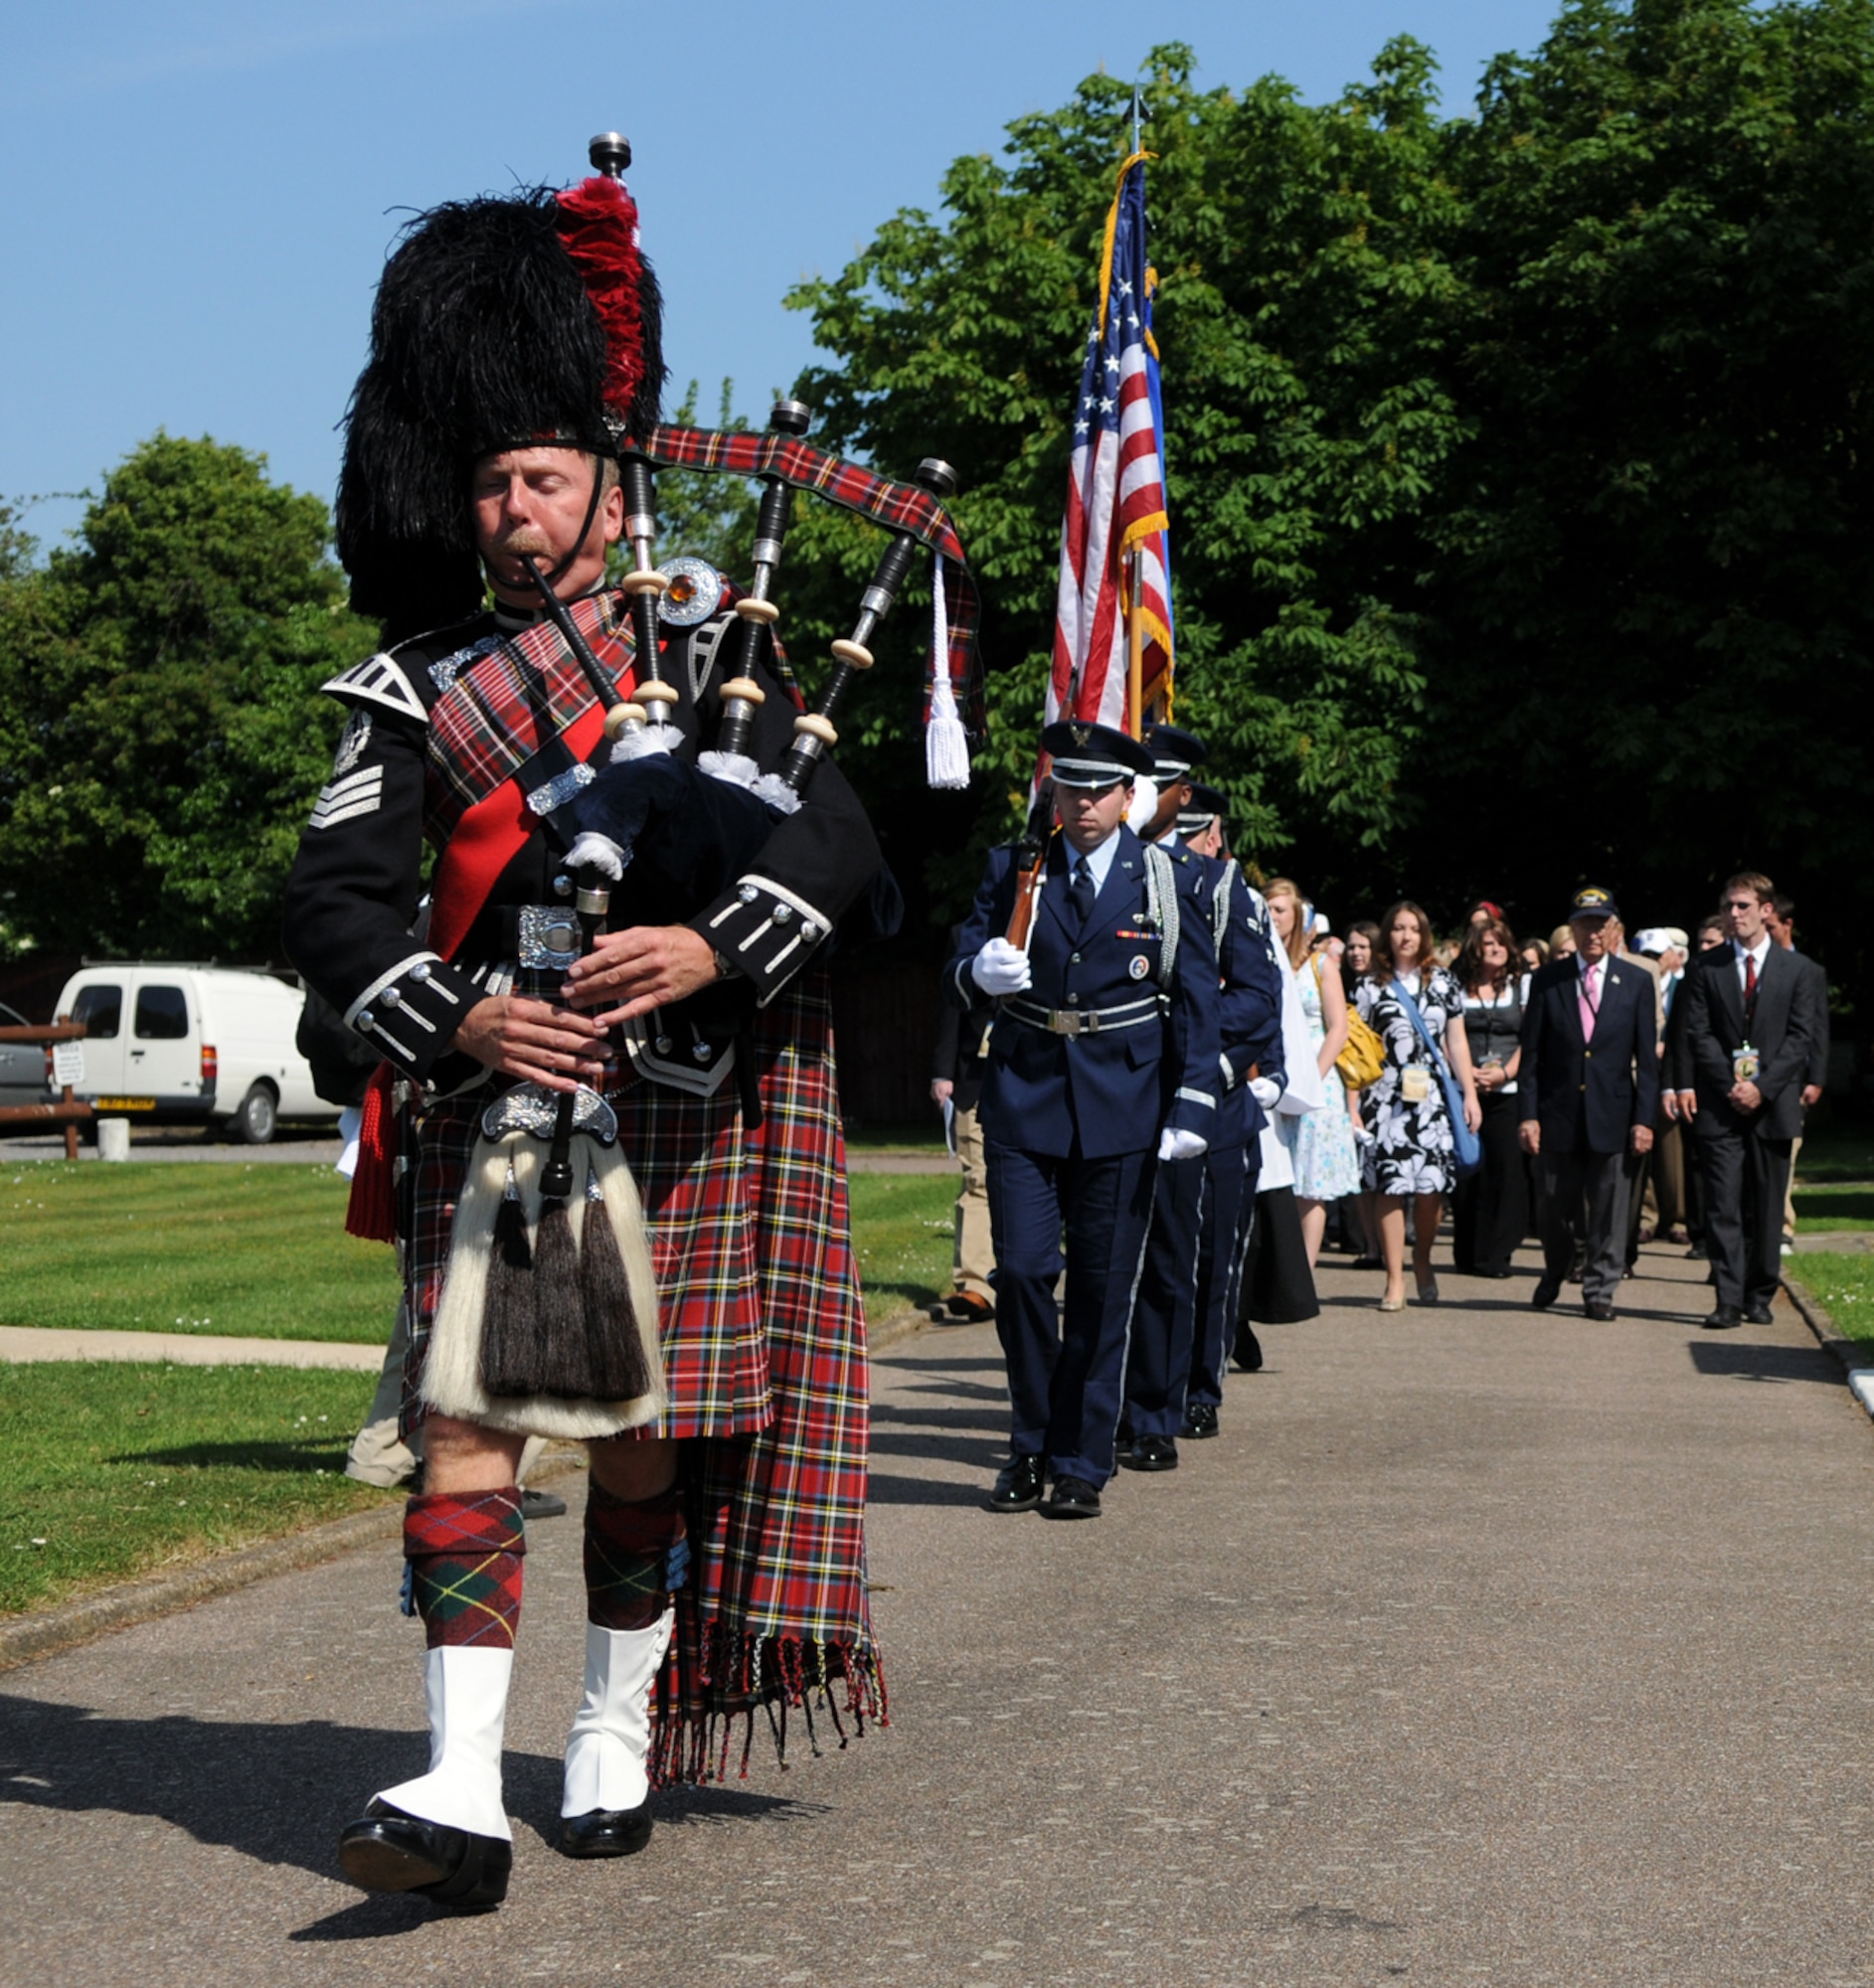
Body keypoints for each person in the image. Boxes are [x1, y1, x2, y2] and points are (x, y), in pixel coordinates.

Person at [284, 173, 913, 1908]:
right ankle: (461, 1789)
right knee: (468, 1422)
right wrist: (458, 1004)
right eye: (484, 480)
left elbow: (836, 836)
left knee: (642, 1441)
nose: (509, 509)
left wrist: (711, 942)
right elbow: (335, 903)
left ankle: (617, 1719)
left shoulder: (714, 648)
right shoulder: (409, 688)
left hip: (686, 1101)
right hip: (512, 1098)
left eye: (540, 475)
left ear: (607, 481)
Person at [946, 721, 1220, 1519]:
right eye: (1068, 786)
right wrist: (977, 970)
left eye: (1099, 789)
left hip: (1124, 1104)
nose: (1082, 803)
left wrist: (1193, 1100)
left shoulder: (1164, 881)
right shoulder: (1013, 869)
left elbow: (1195, 1003)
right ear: (1052, 790)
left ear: (1128, 798)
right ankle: (1029, 1442)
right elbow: (957, 967)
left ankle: (1079, 1462)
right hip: (1026, 1099)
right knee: (1025, 1274)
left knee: (1101, 1291)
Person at [1124, 771, 1284, 1459]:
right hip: (1135, 1100)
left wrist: (1200, 1055)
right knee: (1143, 1261)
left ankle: (1198, 1388)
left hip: (1216, 1106)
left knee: (1208, 1260)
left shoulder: (1221, 891)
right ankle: (1138, 1395)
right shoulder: (1128, 878)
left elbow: (1257, 999)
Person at [1674, 873, 1823, 1328]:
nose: (1733, 915)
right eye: (1728, 907)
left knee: (1766, 1204)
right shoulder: (1706, 968)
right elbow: (1697, 1032)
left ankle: (1760, 1292)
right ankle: (1727, 1297)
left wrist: (1763, 1086)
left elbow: (1801, 1037)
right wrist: (1729, 1083)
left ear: (1766, 911)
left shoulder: (1801, 971)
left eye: (1742, 906)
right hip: (1722, 1106)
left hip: (1773, 1105)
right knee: (1722, 1204)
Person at [1516, 889, 1658, 1319]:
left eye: (1601, 923)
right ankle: (1557, 1267)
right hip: (1558, 1112)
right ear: (1573, 928)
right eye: (1585, 923)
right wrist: (1528, 1115)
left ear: (1614, 928)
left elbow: (1646, 1061)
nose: (1593, 932)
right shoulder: (1548, 981)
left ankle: (1600, 1288)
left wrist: (1643, 1120)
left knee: (1610, 1209)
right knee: (1555, 1205)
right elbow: (1532, 1057)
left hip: (1612, 1113)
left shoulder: (1635, 982)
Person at [1356, 902, 1482, 1310]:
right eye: (1398, 928)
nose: (1405, 936)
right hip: (1386, 1095)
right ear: (1387, 936)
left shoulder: (1444, 982)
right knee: (1391, 1186)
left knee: (1431, 1189)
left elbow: (1458, 1041)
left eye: (1413, 929)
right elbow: (1355, 1047)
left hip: (1431, 1098)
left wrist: (1470, 1094)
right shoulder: (1370, 985)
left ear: (1423, 935)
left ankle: (1422, 1259)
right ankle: (1394, 1279)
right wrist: (1352, 1103)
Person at [1265, 879, 1360, 1267]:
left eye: (1280, 909)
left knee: (1311, 1183)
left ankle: (1304, 1269)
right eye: (1268, 907)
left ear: (1298, 914)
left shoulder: (1323, 964)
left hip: (1316, 1081)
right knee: (1278, 1177)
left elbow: (1338, 1028)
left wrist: (1309, 1080)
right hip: (1271, 1079)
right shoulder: (1262, 957)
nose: (1273, 916)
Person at [1449, 917, 1530, 1279]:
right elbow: (1450, 1035)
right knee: (1468, 1173)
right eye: (1487, 943)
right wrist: (1469, 1079)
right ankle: (1467, 1253)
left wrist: (1505, 1073)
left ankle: (1498, 1255)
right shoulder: (1456, 986)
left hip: (1507, 1090)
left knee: (1505, 1173)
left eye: (1501, 942)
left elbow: (1531, 1038)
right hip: (1467, 1088)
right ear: (1474, 949)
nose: (1496, 948)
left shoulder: (1521, 985)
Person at [931, 940, 997, 1321]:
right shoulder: (965, 935)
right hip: (975, 1079)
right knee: (978, 1180)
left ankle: (1024, 1277)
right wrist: (943, 1072)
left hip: (1041, 1080)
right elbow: (950, 1009)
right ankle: (975, 1285)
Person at [1766, 894, 1828, 1252]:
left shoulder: (1807, 970)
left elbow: (1818, 1029)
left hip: (1793, 1079)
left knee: (1786, 1152)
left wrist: (1816, 1077)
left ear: (1786, 925)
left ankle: (1783, 1225)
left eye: (1771, 926)